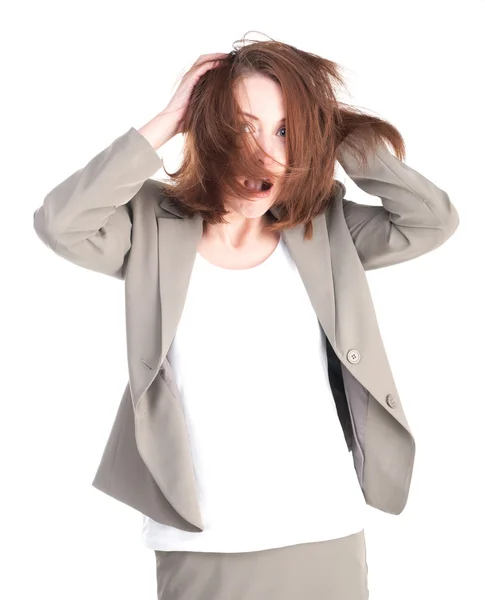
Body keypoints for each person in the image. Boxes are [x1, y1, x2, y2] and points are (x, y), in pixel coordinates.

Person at [33, 35, 459, 600]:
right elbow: (61, 224)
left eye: (285, 129)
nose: (265, 153)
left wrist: (334, 130)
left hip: (322, 526)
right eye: (242, 126)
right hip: (201, 536)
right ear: (207, 131)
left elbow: (431, 220)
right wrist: (166, 121)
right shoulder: (152, 225)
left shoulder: (324, 227)